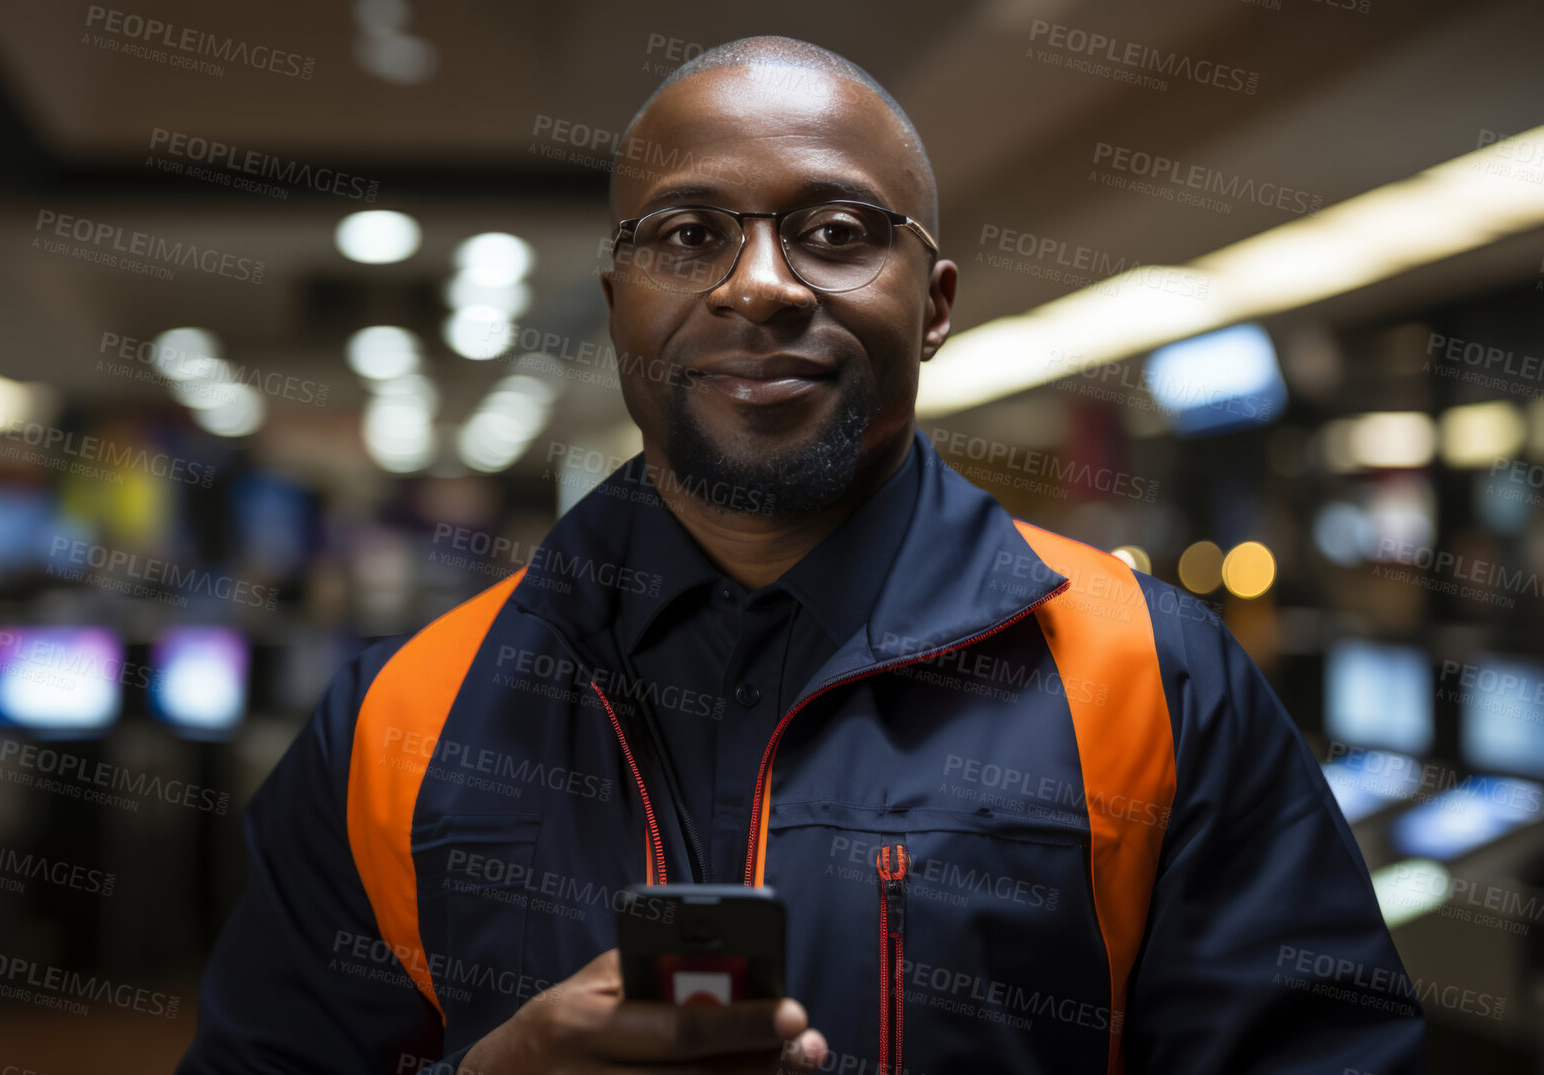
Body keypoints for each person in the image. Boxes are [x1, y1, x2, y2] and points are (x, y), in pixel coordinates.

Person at [179, 35, 1429, 1075]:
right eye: (684, 238)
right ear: (619, 308)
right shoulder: (404, 713)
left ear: (933, 305)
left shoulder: (1160, 680)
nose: (760, 287)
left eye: (835, 230)